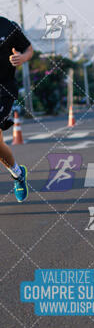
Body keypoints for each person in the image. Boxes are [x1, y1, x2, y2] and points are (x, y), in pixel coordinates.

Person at [0, 16, 33, 202]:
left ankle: (17, 174)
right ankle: (18, 173)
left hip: (3, 89)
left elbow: (28, 49)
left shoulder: (7, 26)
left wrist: (22, 57)